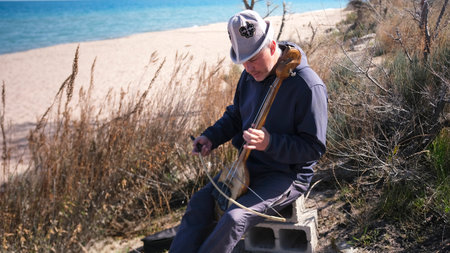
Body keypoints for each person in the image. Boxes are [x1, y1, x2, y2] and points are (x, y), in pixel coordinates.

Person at [169, 9, 327, 253]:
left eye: (254, 58)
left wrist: (271, 143)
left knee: (234, 218)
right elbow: (235, 116)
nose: (249, 67)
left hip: (285, 175)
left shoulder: (307, 85)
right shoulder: (248, 76)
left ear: (273, 46)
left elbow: (314, 149)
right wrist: (211, 137)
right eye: (243, 60)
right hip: (247, 168)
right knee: (199, 203)